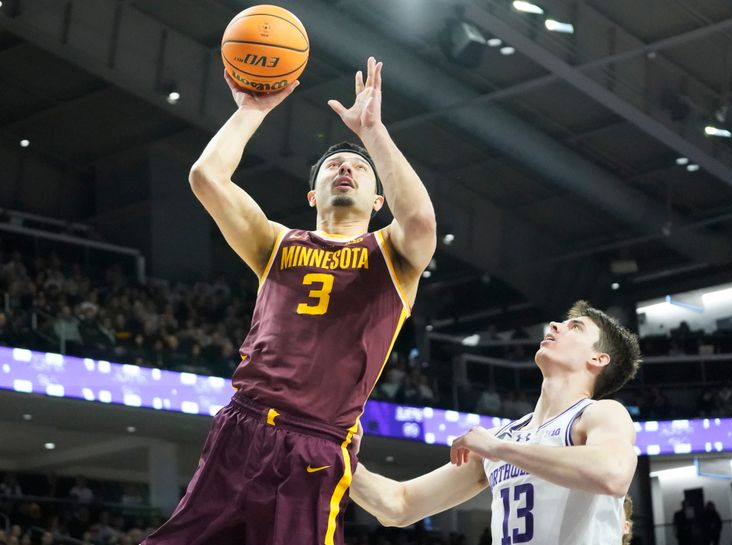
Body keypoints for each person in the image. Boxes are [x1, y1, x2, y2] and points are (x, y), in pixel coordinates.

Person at [142, 56, 436, 545]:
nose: (346, 168)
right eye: (333, 166)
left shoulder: (393, 254)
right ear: (312, 196)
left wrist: (372, 133)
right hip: (240, 426)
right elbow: (206, 178)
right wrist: (252, 110)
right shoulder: (276, 243)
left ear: (379, 202)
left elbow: (422, 220)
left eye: (359, 167)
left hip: (313, 444)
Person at [349, 300, 642, 545]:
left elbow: (613, 475)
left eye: (574, 327)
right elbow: (399, 506)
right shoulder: (499, 438)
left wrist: (499, 449)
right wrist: (341, 456)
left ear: (599, 358)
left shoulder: (600, 413)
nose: (555, 325)